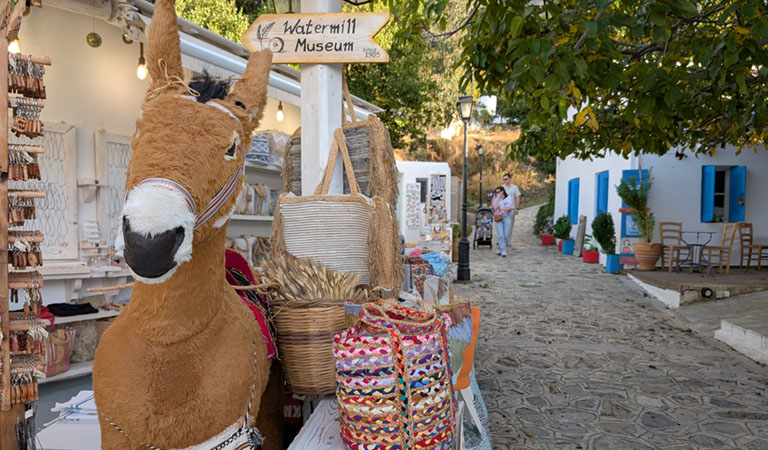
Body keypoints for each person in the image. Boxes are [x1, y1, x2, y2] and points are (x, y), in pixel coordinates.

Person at [491, 186, 513, 257]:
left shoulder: (508, 198)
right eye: (496, 192)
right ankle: (503, 250)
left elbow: (508, 208)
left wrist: (500, 209)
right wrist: (497, 198)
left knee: (505, 235)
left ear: (502, 191)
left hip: (506, 217)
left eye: (498, 192)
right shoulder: (496, 199)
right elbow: (495, 208)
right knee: (501, 235)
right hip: (498, 217)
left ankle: (499, 248)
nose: (497, 193)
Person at [501, 173, 521, 249]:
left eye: (506, 179)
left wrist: (517, 208)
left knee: (510, 226)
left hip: (511, 209)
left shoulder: (514, 187)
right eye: (503, 179)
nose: (505, 181)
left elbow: (517, 197)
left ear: (510, 179)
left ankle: (508, 241)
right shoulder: (501, 187)